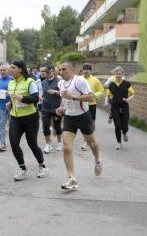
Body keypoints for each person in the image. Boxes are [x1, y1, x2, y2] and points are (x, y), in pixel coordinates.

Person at [56, 62, 102, 190]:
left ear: (72, 70)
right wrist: (61, 107)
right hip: (69, 118)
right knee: (66, 147)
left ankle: (98, 160)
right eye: (59, 69)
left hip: (83, 116)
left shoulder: (79, 80)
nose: (61, 71)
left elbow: (90, 98)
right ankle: (71, 178)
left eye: (64, 69)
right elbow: (63, 99)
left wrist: (74, 97)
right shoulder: (60, 83)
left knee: (92, 144)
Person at [7, 60, 48, 181]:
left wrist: (22, 98)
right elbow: (13, 99)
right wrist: (10, 103)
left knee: (32, 144)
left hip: (30, 118)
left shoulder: (30, 82)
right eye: (10, 68)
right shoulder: (11, 83)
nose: (11, 70)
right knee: (14, 143)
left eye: (13, 68)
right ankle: (22, 168)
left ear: (20, 69)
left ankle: (42, 166)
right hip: (15, 117)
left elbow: (36, 98)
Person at [107, 66, 134, 150]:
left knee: (124, 126)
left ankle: (125, 133)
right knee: (117, 126)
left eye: (119, 74)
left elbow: (133, 94)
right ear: (114, 75)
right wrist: (110, 103)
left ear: (122, 74)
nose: (118, 75)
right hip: (115, 108)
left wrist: (128, 99)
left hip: (124, 107)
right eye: (116, 74)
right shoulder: (111, 85)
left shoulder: (127, 84)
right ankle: (119, 143)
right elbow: (109, 96)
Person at [81, 63, 104, 151]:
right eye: (84, 69)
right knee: (83, 123)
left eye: (88, 69)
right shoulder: (80, 79)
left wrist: (94, 95)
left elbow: (101, 91)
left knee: (91, 122)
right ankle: (85, 140)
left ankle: (90, 137)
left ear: (91, 70)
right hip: (82, 104)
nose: (86, 71)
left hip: (91, 104)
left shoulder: (95, 80)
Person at [41, 65, 63, 153]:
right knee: (45, 126)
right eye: (46, 72)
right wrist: (41, 97)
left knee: (57, 126)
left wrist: (55, 92)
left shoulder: (60, 81)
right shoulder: (43, 82)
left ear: (54, 72)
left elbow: (64, 93)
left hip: (57, 108)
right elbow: (43, 93)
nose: (47, 74)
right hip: (45, 107)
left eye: (49, 72)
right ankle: (48, 144)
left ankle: (59, 142)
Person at [0, 63, 12, 152]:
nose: (2, 71)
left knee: (12, 126)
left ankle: (14, 142)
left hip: (11, 106)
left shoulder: (12, 79)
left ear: (9, 71)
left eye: (4, 70)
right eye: (1, 70)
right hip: (0, 106)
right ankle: (2, 144)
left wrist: (10, 94)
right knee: (1, 125)